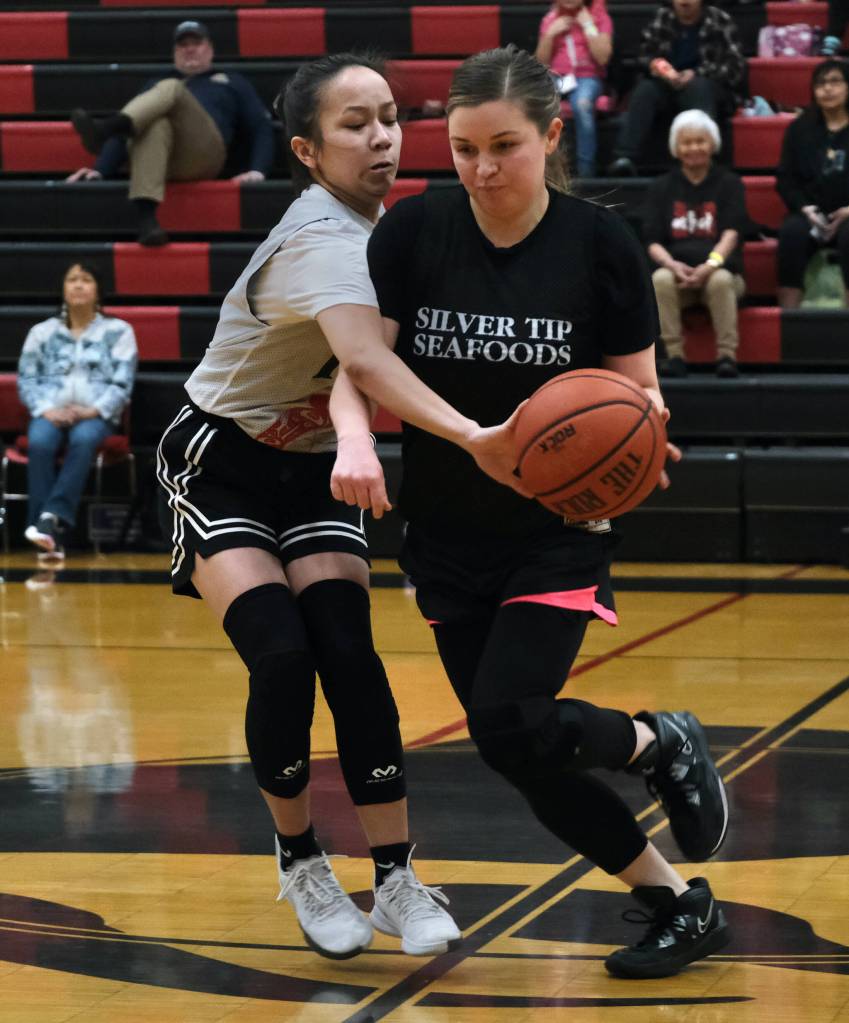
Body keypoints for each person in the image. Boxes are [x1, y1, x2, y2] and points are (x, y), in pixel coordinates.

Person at [330, 45, 731, 981]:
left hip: (558, 529)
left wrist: (643, 436)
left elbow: (637, 391)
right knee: (516, 750)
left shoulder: (600, 245)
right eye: (463, 148)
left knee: (509, 721)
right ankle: (679, 899)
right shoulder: (413, 233)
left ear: (550, 136)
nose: (479, 169)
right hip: (444, 531)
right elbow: (359, 366)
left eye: (502, 146)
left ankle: (654, 739)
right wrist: (354, 438)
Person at [154, 51, 532, 961]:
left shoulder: (398, 233)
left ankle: (397, 876)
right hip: (223, 460)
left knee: (351, 655)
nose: (382, 138)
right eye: (355, 124)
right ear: (308, 152)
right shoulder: (318, 239)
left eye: (391, 117)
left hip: (313, 463)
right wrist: (477, 436)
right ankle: (299, 860)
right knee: (282, 658)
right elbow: (364, 364)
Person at [67, 20, 274, 246]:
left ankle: (105, 129)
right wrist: (100, 170)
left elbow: (261, 125)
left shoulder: (232, 81)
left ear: (210, 49)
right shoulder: (154, 83)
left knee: (171, 87)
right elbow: (132, 127)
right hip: (162, 160)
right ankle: (148, 221)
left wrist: (258, 170)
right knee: (154, 124)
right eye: (183, 45)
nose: (190, 48)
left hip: (205, 154)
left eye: (196, 42)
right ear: (175, 52)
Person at [17, 262, 137, 560]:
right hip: (50, 412)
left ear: (98, 291)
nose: (79, 285)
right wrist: (45, 410)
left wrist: (92, 410)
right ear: (63, 289)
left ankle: (49, 521)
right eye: (72, 279)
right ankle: (48, 532)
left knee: (84, 439)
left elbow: (123, 384)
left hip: (95, 415)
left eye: (86, 279)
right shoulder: (41, 333)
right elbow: (27, 379)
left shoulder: (119, 331)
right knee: (40, 441)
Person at [644, 109, 747, 377]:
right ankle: (674, 356)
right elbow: (652, 241)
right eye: (686, 142)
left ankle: (727, 356)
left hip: (722, 275)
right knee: (660, 279)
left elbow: (731, 234)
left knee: (721, 280)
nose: (694, 148)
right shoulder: (661, 187)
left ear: (712, 144)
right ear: (676, 149)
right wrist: (673, 265)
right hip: (678, 276)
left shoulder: (730, 183)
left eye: (700, 141)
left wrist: (710, 266)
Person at [607, 0, 746, 176]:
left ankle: (705, 158)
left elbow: (735, 66)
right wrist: (656, 66)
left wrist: (697, 73)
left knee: (699, 87)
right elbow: (644, 56)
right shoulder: (663, 17)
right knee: (645, 89)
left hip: (708, 87)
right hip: (668, 85)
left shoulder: (719, 20)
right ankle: (624, 157)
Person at [776, 58, 849, 309]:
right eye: (820, 84)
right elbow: (785, 179)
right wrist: (805, 208)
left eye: (835, 82)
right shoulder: (799, 129)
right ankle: (789, 321)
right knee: (791, 235)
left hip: (848, 214)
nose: (827, 89)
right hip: (811, 214)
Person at [535, 0, 613, 176]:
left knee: (582, 104)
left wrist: (588, 25)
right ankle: (546, 172)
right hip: (557, 77)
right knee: (538, 104)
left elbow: (603, 57)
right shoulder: (550, 18)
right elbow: (540, 63)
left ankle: (587, 172)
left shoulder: (599, 17)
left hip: (587, 78)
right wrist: (549, 35)